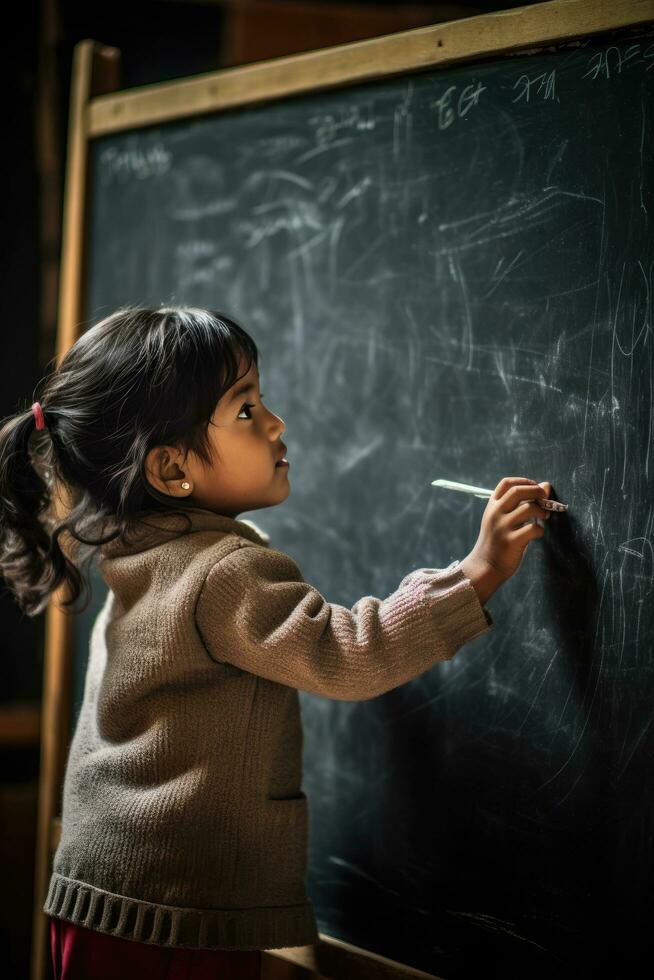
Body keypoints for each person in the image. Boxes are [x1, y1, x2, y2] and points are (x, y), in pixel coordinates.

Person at [0, 306, 551, 979]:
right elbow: (347, 655)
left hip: (102, 898)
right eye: (244, 410)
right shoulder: (223, 571)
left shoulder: (137, 557)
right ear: (172, 469)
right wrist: (477, 572)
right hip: (177, 923)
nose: (275, 422)